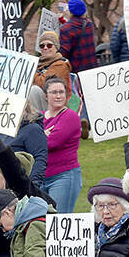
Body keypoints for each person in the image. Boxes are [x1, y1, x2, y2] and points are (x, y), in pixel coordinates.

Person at [41, 77, 81, 212]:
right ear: (45, 96)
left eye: (61, 92)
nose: (58, 96)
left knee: (58, 222)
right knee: (41, 222)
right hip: (40, 177)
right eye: (54, 92)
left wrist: (38, 136)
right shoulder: (39, 117)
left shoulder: (70, 116)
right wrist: (42, 135)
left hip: (63, 177)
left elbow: (52, 143)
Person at [10, 87, 49, 189]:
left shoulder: (33, 129)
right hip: (3, 187)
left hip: (21, 188)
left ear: (25, 108)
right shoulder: (5, 131)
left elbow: (40, 158)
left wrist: (31, 186)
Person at [59, 0, 98, 74]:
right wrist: (63, 21)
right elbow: (75, 31)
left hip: (76, 70)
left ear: (71, 12)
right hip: (91, 67)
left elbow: (64, 53)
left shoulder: (65, 29)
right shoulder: (89, 24)